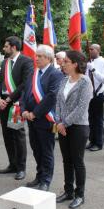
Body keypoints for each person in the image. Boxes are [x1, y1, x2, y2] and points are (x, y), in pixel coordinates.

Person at [21, 45, 64, 191]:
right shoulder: (33, 73)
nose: (36, 58)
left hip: (45, 119)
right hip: (31, 119)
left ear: (49, 58)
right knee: (36, 149)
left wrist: (35, 113)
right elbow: (24, 94)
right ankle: (39, 176)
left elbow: (51, 97)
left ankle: (46, 180)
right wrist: (24, 110)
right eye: (36, 55)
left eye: (40, 56)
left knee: (46, 151)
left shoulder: (55, 74)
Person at [55, 51, 93, 209]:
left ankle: (80, 194)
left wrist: (65, 123)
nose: (62, 64)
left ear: (75, 64)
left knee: (77, 161)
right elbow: (58, 101)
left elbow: (82, 107)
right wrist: (58, 121)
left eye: (66, 61)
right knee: (66, 160)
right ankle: (68, 190)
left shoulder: (85, 82)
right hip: (62, 126)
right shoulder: (64, 80)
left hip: (78, 127)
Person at [0, 36, 33, 180]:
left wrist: (9, 98)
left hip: (17, 104)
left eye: (6, 46)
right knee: (7, 135)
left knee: (18, 135)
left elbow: (25, 84)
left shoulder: (26, 61)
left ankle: (21, 168)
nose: (4, 49)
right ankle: (12, 164)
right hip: (3, 103)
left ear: (14, 47)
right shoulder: (5, 62)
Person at [85, 44, 104, 151]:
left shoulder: (103, 62)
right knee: (90, 119)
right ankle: (92, 140)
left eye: (92, 49)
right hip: (89, 94)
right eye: (89, 49)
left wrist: (93, 70)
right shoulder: (89, 62)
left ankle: (99, 143)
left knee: (98, 119)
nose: (90, 51)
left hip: (99, 93)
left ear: (98, 50)